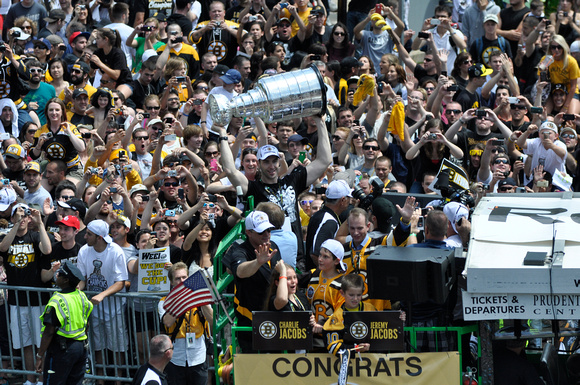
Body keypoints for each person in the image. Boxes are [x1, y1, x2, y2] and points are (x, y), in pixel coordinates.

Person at [0, 203, 51, 385]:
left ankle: (41, 379)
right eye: (17, 214)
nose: (21, 218)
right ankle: (30, 380)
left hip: (37, 301)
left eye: (24, 214)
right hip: (16, 301)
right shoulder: (8, 236)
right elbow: (3, 248)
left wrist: (40, 224)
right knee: (25, 344)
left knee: (40, 344)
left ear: (30, 218)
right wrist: (16, 223)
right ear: (13, 218)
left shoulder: (36, 235)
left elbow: (47, 250)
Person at [221, 210, 281, 352]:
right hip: (250, 321)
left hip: (273, 316)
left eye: (268, 229)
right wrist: (258, 262)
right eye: (261, 232)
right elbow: (240, 271)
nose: (266, 234)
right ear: (249, 232)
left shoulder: (273, 246)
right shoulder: (239, 250)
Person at [77, 219, 129, 382]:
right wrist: (78, 290)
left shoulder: (115, 251)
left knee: (118, 347)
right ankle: (99, 380)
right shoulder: (84, 251)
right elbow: (82, 278)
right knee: (97, 346)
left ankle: (118, 380)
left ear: (99, 237)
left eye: (89, 234)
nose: (85, 236)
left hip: (115, 309)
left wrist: (102, 295)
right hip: (93, 309)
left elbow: (120, 282)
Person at [34, 262, 93, 385]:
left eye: (60, 274)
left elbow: (49, 332)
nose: (57, 275)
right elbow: (86, 323)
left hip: (62, 351)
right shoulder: (82, 296)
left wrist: (40, 356)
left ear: (66, 280)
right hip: (80, 348)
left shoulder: (57, 301)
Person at [159, 262, 212, 385]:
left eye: (184, 277)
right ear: (172, 282)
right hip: (176, 357)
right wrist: (182, 299)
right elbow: (167, 322)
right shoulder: (164, 302)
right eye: (177, 278)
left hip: (198, 356)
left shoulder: (199, 298)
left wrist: (201, 300)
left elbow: (213, 322)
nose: (182, 281)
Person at [305, 179, 351, 270]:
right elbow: (315, 253)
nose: (350, 201)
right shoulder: (329, 221)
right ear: (343, 200)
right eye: (349, 198)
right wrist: (326, 274)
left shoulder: (321, 215)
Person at [323, 273, 373, 356]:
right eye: (351, 295)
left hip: (371, 360)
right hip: (348, 362)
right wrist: (356, 348)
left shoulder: (370, 309)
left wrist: (399, 318)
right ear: (342, 293)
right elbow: (332, 346)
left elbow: (383, 333)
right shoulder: (337, 316)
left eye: (359, 295)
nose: (355, 299)